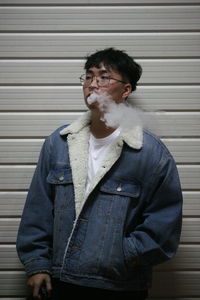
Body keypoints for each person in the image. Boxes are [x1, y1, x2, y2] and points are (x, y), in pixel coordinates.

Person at [16, 48, 182, 299]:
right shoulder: (58, 143)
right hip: (60, 281)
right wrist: (37, 264)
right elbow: (38, 209)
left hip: (120, 285)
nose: (93, 84)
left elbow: (164, 224)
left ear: (126, 90)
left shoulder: (150, 153)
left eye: (104, 77)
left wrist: (120, 255)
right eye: (88, 76)